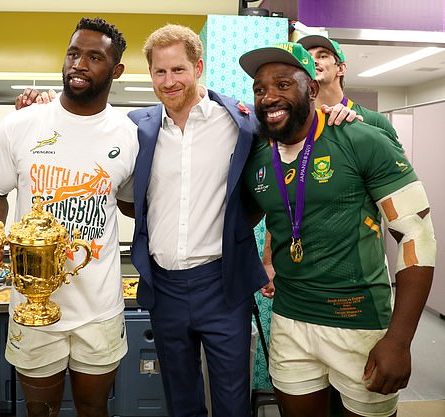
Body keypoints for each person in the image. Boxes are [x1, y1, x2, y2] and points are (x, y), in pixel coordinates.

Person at [125, 25, 357, 417]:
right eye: (159, 72)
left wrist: (334, 112)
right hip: (163, 288)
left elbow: (294, 129)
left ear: (198, 67)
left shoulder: (240, 122)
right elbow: (129, 196)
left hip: (222, 285)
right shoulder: (136, 128)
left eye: (178, 70)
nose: (169, 81)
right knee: (180, 401)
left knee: (233, 403)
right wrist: (43, 102)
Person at [239, 42, 435, 417]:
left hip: (358, 323)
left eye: (283, 84)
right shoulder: (258, 157)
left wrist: (399, 339)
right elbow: (256, 218)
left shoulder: (361, 138)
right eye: (260, 88)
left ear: (311, 89)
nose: (269, 97)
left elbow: (417, 236)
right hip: (290, 321)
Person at [0, 18, 138, 417]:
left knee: (93, 407)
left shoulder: (127, 134)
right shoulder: (21, 125)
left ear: (115, 72)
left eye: (94, 57)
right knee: (39, 409)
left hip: (100, 306)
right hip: (33, 304)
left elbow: (131, 203)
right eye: (73, 53)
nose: (78, 64)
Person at [297, 34, 398, 140]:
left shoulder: (373, 121)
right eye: (307, 58)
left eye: (322, 56)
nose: (313, 61)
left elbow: (399, 157)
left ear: (341, 68)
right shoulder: (295, 123)